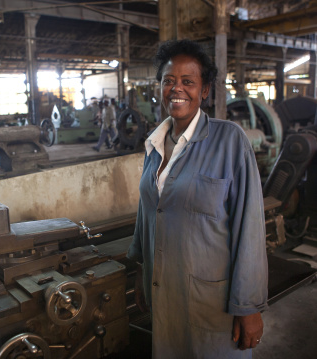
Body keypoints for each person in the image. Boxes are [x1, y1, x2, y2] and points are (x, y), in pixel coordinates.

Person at [127, 39, 268, 358]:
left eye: (188, 81)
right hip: (164, 290)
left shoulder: (230, 140)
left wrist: (248, 306)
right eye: (168, 81)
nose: (177, 89)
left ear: (204, 91)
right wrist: (141, 270)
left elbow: (250, 228)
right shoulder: (155, 146)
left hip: (211, 301)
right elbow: (147, 213)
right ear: (159, 88)